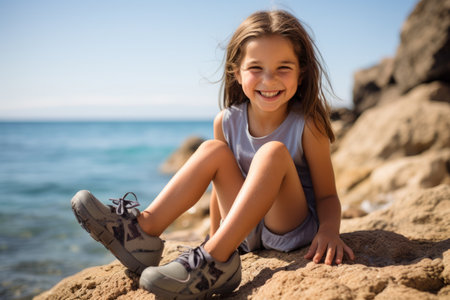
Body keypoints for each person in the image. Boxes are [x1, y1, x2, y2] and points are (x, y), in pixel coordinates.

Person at [71, 9, 355, 299]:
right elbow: (220, 190)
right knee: (212, 149)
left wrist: (330, 232)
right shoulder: (227, 120)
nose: (269, 80)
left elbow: (327, 197)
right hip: (244, 230)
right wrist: (214, 234)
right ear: (236, 71)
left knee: (272, 153)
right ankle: (143, 232)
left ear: (302, 71)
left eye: (283, 68)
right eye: (256, 68)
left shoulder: (308, 123)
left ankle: (214, 262)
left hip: (289, 228)